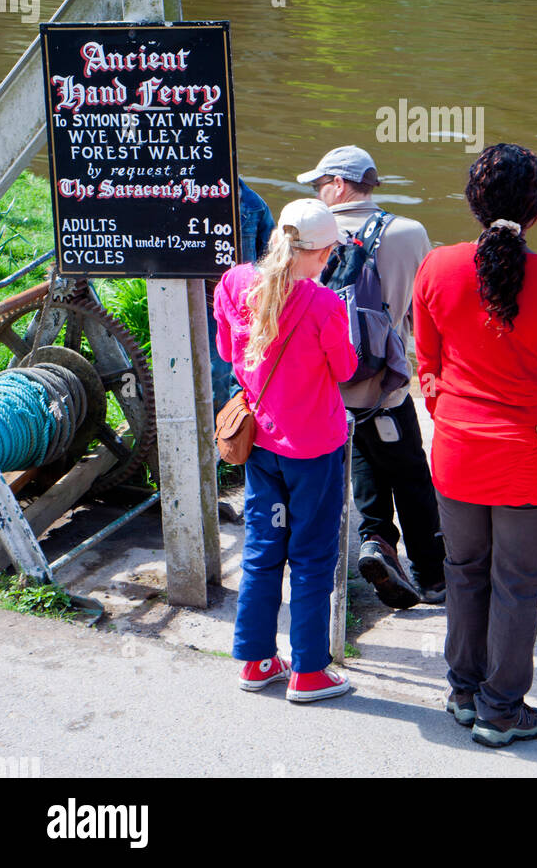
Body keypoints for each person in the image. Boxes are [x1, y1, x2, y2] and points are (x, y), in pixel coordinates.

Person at [413, 143, 537, 748]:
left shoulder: (436, 268)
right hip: (529, 461)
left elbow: (429, 368)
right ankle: (500, 710)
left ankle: (463, 693)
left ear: (472, 202)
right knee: (518, 583)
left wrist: (454, 414)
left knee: (464, 573)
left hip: (458, 454)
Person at [214, 198, 357, 702]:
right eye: (328, 253)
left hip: (261, 448)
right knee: (313, 556)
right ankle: (310, 671)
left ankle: (256, 662)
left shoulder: (233, 283)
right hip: (313, 451)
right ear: (317, 251)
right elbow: (345, 372)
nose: (329, 262)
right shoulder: (325, 304)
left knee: (262, 549)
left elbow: (231, 354)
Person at [297, 145, 445, 608]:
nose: (320, 194)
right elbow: (424, 315)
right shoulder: (409, 232)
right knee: (412, 477)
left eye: (322, 185)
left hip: (325, 387)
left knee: (364, 466)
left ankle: (376, 541)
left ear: (339, 185)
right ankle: (432, 576)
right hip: (386, 385)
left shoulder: (308, 233)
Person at [206, 177, 276, 415]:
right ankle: (236, 428)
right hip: (243, 303)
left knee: (217, 369)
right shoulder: (251, 201)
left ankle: (224, 430)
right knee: (240, 367)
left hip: (212, 300)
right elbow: (270, 259)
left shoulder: (253, 203)